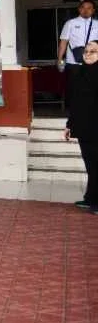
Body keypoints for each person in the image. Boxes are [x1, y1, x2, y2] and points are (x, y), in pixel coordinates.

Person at [65, 40, 98, 213]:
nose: (88, 54)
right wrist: (69, 125)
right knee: (91, 167)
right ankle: (90, 198)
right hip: (84, 128)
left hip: (96, 128)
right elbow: (75, 103)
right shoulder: (81, 73)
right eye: (86, 51)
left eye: (93, 51)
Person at [58, 0, 96, 105]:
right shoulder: (70, 23)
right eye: (83, 7)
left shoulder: (97, 24)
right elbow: (63, 42)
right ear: (79, 9)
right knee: (75, 88)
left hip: (93, 62)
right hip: (74, 63)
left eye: (89, 8)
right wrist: (60, 59)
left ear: (93, 10)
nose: (86, 10)